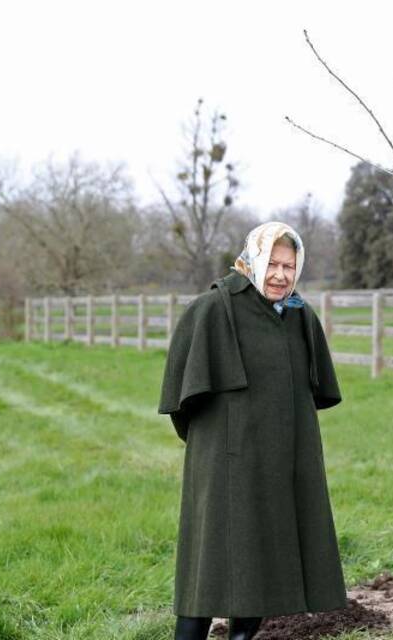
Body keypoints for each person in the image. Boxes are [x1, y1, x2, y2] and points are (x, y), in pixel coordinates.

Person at [158, 222, 345, 640]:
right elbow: (183, 402)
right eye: (274, 264)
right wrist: (221, 446)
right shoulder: (213, 308)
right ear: (255, 260)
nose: (281, 275)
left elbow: (311, 392)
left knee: (264, 567)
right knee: (207, 575)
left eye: (290, 266)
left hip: (282, 463)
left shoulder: (299, 316)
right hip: (227, 463)